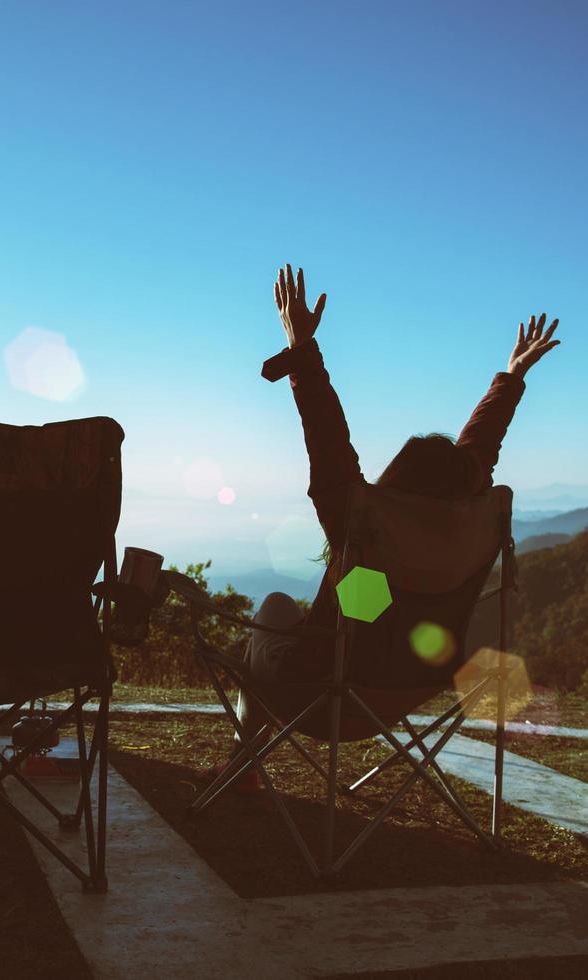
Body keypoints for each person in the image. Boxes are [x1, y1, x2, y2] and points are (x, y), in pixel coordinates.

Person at [213, 263, 561, 793]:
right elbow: (477, 456)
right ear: (465, 490)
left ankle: (242, 765)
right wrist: (511, 377)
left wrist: (302, 348)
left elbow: (327, 441)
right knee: (308, 612)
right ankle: (243, 767)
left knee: (276, 607)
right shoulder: (462, 535)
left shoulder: (364, 524)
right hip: (408, 692)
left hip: (323, 693)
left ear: (395, 480)